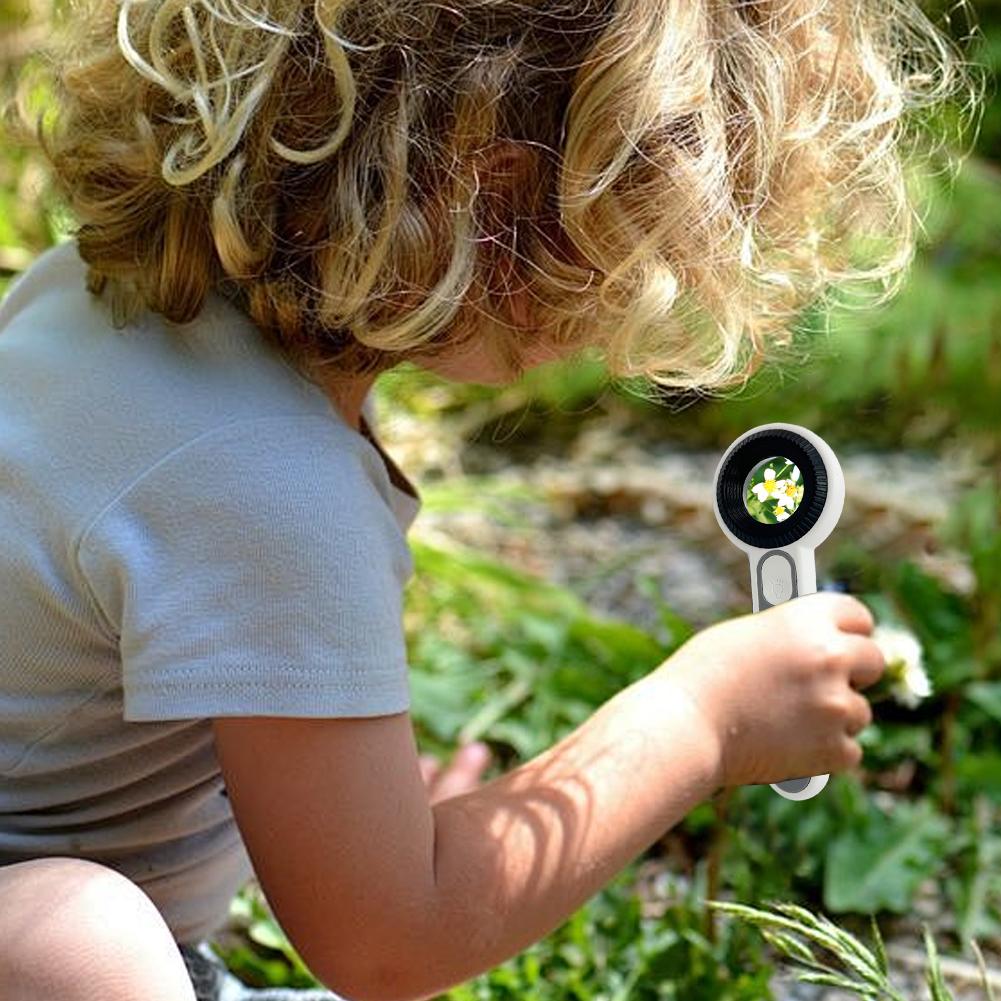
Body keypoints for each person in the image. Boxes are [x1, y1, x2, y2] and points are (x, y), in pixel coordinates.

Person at [0, 0, 972, 998]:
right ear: (490, 207)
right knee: (82, 947)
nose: (616, 308)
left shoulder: (94, 299)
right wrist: (701, 715)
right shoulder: (267, 477)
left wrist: (363, 816)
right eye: (624, 247)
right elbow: (391, 939)